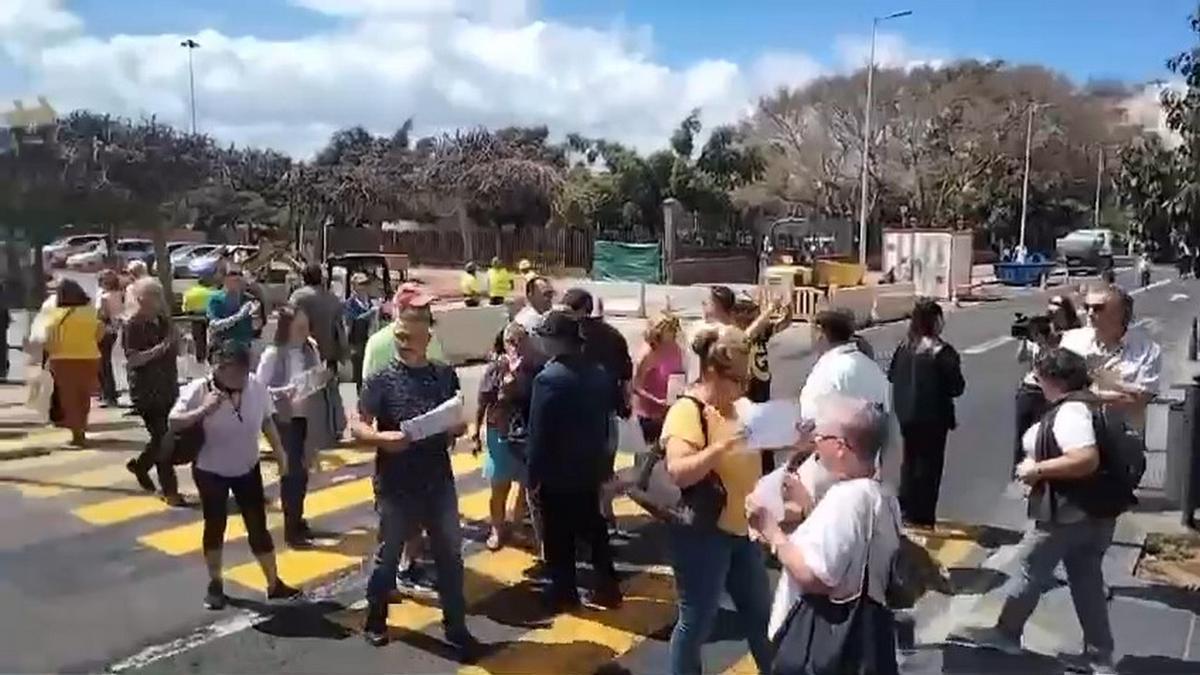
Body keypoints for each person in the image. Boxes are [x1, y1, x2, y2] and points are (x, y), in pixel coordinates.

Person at [956, 348, 1119, 675]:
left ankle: (1006, 634)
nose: (1035, 381)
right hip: (1095, 512)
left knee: (1030, 569)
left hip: (1066, 513)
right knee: (1086, 579)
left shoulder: (1072, 412)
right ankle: (1100, 657)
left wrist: (1038, 470)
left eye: (1038, 376)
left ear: (1053, 379)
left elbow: (1085, 458)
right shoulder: (1089, 403)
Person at [352, 288, 478, 655]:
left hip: (438, 479)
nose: (404, 342)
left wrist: (459, 428)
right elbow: (357, 426)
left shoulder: (443, 375)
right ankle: (376, 618)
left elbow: (459, 418)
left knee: (449, 556)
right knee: (388, 554)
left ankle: (456, 626)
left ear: (428, 336)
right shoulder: (380, 378)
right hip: (395, 481)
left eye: (411, 335)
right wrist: (380, 437)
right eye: (400, 335)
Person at [750, 395, 901, 671]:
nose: (816, 443)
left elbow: (816, 576)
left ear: (841, 447)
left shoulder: (847, 500)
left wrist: (772, 533)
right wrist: (809, 506)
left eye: (822, 436)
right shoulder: (883, 495)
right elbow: (851, 546)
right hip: (872, 638)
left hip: (829, 645)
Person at [661, 323, 772, 674]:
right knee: (695, 623)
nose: (744, 387)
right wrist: (720, 447)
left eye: (746, 380)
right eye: (737, 379)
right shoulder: (687, 412)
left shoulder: (739, 408)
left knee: (761, 618)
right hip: (703, 533)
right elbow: (679, 471)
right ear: (712, 372)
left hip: (743, 530)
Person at [168, 342, 302, 609]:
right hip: (210, 470)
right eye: (231, 372)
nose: (237, 378)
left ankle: (274, 583)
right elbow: (174, 421)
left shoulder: (255, 387)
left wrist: (280, 453)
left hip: (247, 468)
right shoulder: (200, 389)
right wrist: (204, 409)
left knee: (258, 528)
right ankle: (215, 584)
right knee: (215, 526)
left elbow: (266, 421)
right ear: (217, 368)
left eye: (241, 371)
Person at [527, 310, 622, 610]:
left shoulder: (548, 379)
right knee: (594, 529)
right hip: (590, 466)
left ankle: (564, 591)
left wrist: (533, 476)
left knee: (558, 534)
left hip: (558, 471)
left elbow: (539, 433)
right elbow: (608, 420)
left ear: (555, 341)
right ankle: (608, 587)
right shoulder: (598, 373)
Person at [795, 308, 895, 505]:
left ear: (820, 333)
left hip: (832, 471)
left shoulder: (827, 372)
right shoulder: (870, 367)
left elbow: (811, 426)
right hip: (868, 469)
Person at [561, 288, 633, 534]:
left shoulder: (570, 337)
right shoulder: (612, 336)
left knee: (578, 473)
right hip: (605, 412)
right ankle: (605, 517)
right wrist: (625, 405)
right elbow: (626, 376)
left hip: (576, 416)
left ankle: (587, 524)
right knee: (604, 469)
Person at [888, 299, 966, 528]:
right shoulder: (942, 351)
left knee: (909, 463)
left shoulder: (903, 347)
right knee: (930, 468)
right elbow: (957, 387)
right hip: (933, 418)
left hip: (906, 415)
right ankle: (923, 516)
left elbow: (892, 376)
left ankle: (906, 510)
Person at [257, 306, 327, 548]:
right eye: (299, 327)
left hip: (306, 417)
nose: (304, 332)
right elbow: (259, 388)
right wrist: (282, 392)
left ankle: (297, 519)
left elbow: (317, 377)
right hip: (284, 420)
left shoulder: (311, 349)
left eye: (306, 327)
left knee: (304, 471)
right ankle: (291, 528)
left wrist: (319, 379)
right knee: (292, 472)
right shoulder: (273, 354)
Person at [1060, 284, 1161, 433]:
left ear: (1120, 313)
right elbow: (1057, 391)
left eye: (1098, 308)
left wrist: (1085, 393)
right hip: (1074, 434)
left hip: (1121, 436)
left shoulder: (1146, 350)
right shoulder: (1071, 341)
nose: (1089, 313)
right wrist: (1117, 391)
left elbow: (1139, 399)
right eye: (1086, 307)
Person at [122, 278, 184, 506]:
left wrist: (177, 344)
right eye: (152, 295)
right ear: (140, 299)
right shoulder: (133, 325)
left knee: (165, 438)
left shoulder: (164, 322)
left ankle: (140, 465)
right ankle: (170, 490)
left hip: (168, 386)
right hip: (146, 391)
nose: (158, 300)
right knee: (163, 438)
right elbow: (134, 360)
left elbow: (174, 350)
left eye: (159, 295)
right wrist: (161, 348)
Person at [1015, 295, 1082, 469]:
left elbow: (1062, 362)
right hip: (1031, 389)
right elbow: (1021, 358)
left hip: (1055, 391)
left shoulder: (1072, 335)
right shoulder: (1040, 330)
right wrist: (1026, 338)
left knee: (1047, 436)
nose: (1052, 309)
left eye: (1057, 305)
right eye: (1050, 305)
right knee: (1023, 436)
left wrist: (1048, 343)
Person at [45, 279, 103, 447]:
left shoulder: (55, 314)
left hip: (62, 359)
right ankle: (81, 430)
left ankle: (77, 434)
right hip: (89, 358)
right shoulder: (90, 313)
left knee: (69, 398)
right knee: (83, 396)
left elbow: (48, 340)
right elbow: (100, 333)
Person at [631, 312, 685, 446]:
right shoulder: (647, 354)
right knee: (649, 456)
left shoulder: (675, 348)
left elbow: (679, 374)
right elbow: (635, 386)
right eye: (670, 330)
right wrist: (657, 401)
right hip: (648, 414)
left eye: (674, 329)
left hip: (670, 410)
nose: (674, 333)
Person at [207, 266, 258, 355]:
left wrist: (257, 314)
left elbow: (257, 326)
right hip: (222, 347)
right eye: (233, 276)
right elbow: (214, 325)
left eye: (240, 276)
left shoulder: (249, 299)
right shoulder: (216, 299)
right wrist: (239, 316)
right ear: (224, 280)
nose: (237, 279)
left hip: (244, 348)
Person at [344, 272, 376, 392]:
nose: (365, 287)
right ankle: (353, 402)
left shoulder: (370, 302)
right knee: (356, 373)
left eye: (366, 283)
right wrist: (369, 313)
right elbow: (351, 320)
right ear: (354, 286)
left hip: (369, 340)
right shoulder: (350, 303)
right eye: (361, 284)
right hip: (356, 342)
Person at [96, 269, 123, 407]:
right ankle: (105, 393)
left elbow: (102, 315)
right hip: (114, 330)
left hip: (103, 330)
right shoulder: (119, 294)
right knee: (104, 362)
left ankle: (109, 395)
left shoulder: (104, 297)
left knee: (103, 363)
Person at [182, 275, 218, 364]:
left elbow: (185, 307)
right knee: (213, 336)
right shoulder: (214, 293)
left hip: (195, 316)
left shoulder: (189, 292)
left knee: (198, 338)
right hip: (210, 316)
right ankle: (211, 356)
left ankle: (200, 357)